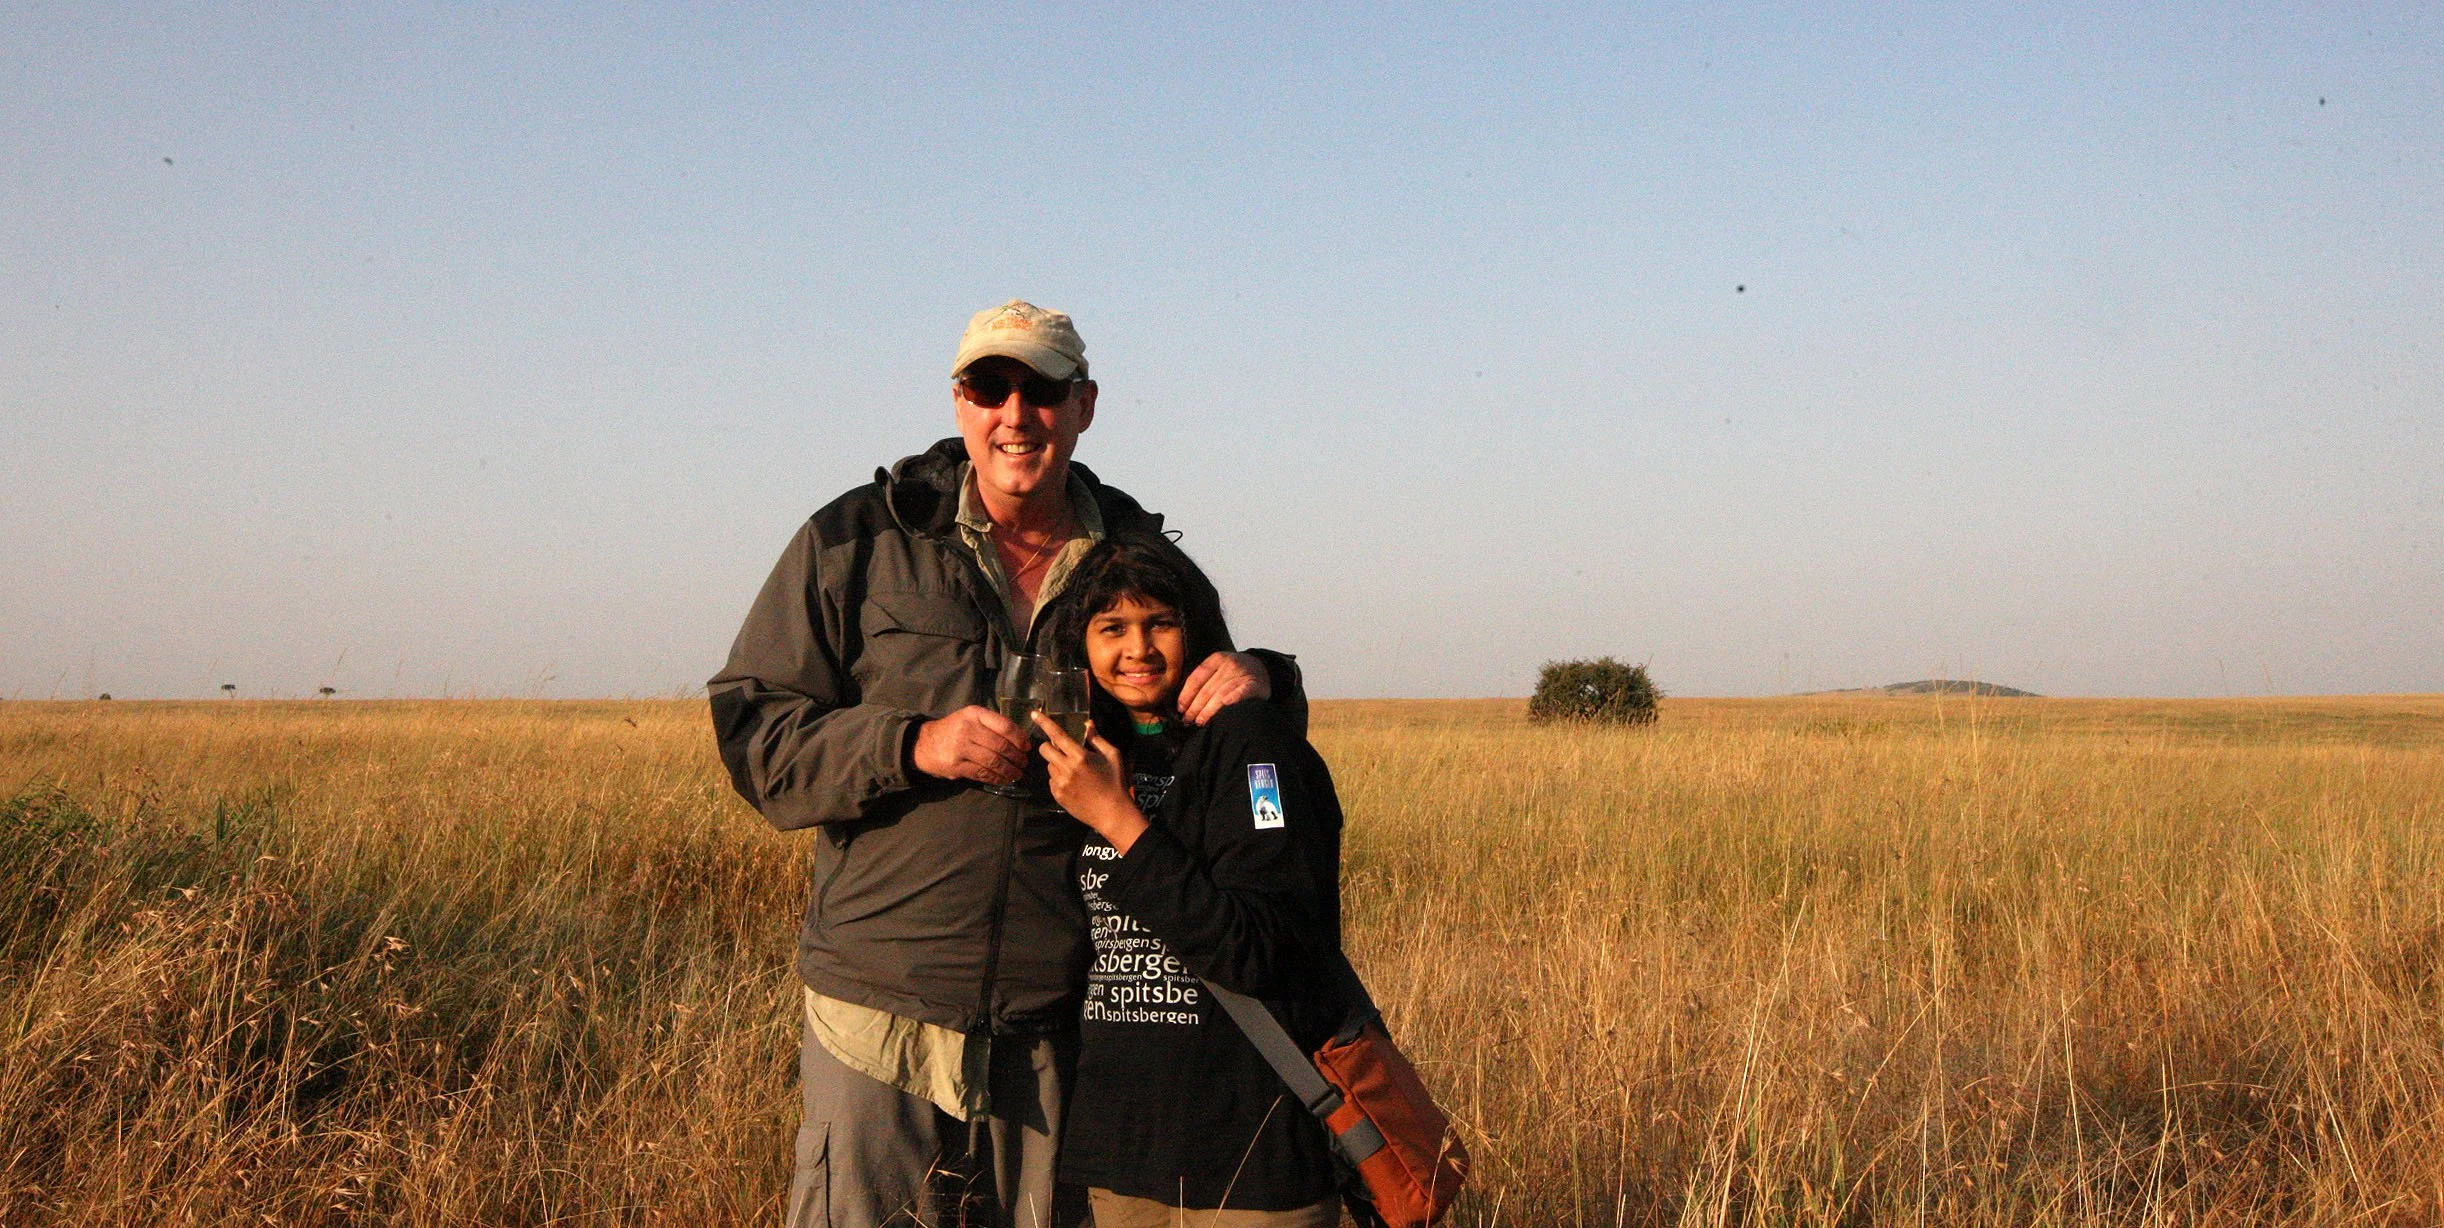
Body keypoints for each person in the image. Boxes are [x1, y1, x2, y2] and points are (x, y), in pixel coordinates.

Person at [707, 299, 1304, 1228]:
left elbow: (1212, 724)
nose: (1015, 416)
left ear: (1084, 406)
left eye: (1042, 391)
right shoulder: (857, 537)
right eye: (991, 388)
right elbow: (755, 732)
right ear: (959, 404)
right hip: (881, 1006)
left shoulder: (1134, 555)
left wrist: (1265, 674)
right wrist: (910, 743)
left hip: (1063, 1023)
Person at [1032, 535, 1347, 1228]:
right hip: (1124, 1156)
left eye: (1160, 624)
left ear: (1196, 630)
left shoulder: (1254, 752)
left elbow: (1260, 947)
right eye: (1111, 628)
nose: (1137, 649)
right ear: (1080, 646)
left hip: (1252, 1157)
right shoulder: (1084, 754)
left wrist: (1120, 822)